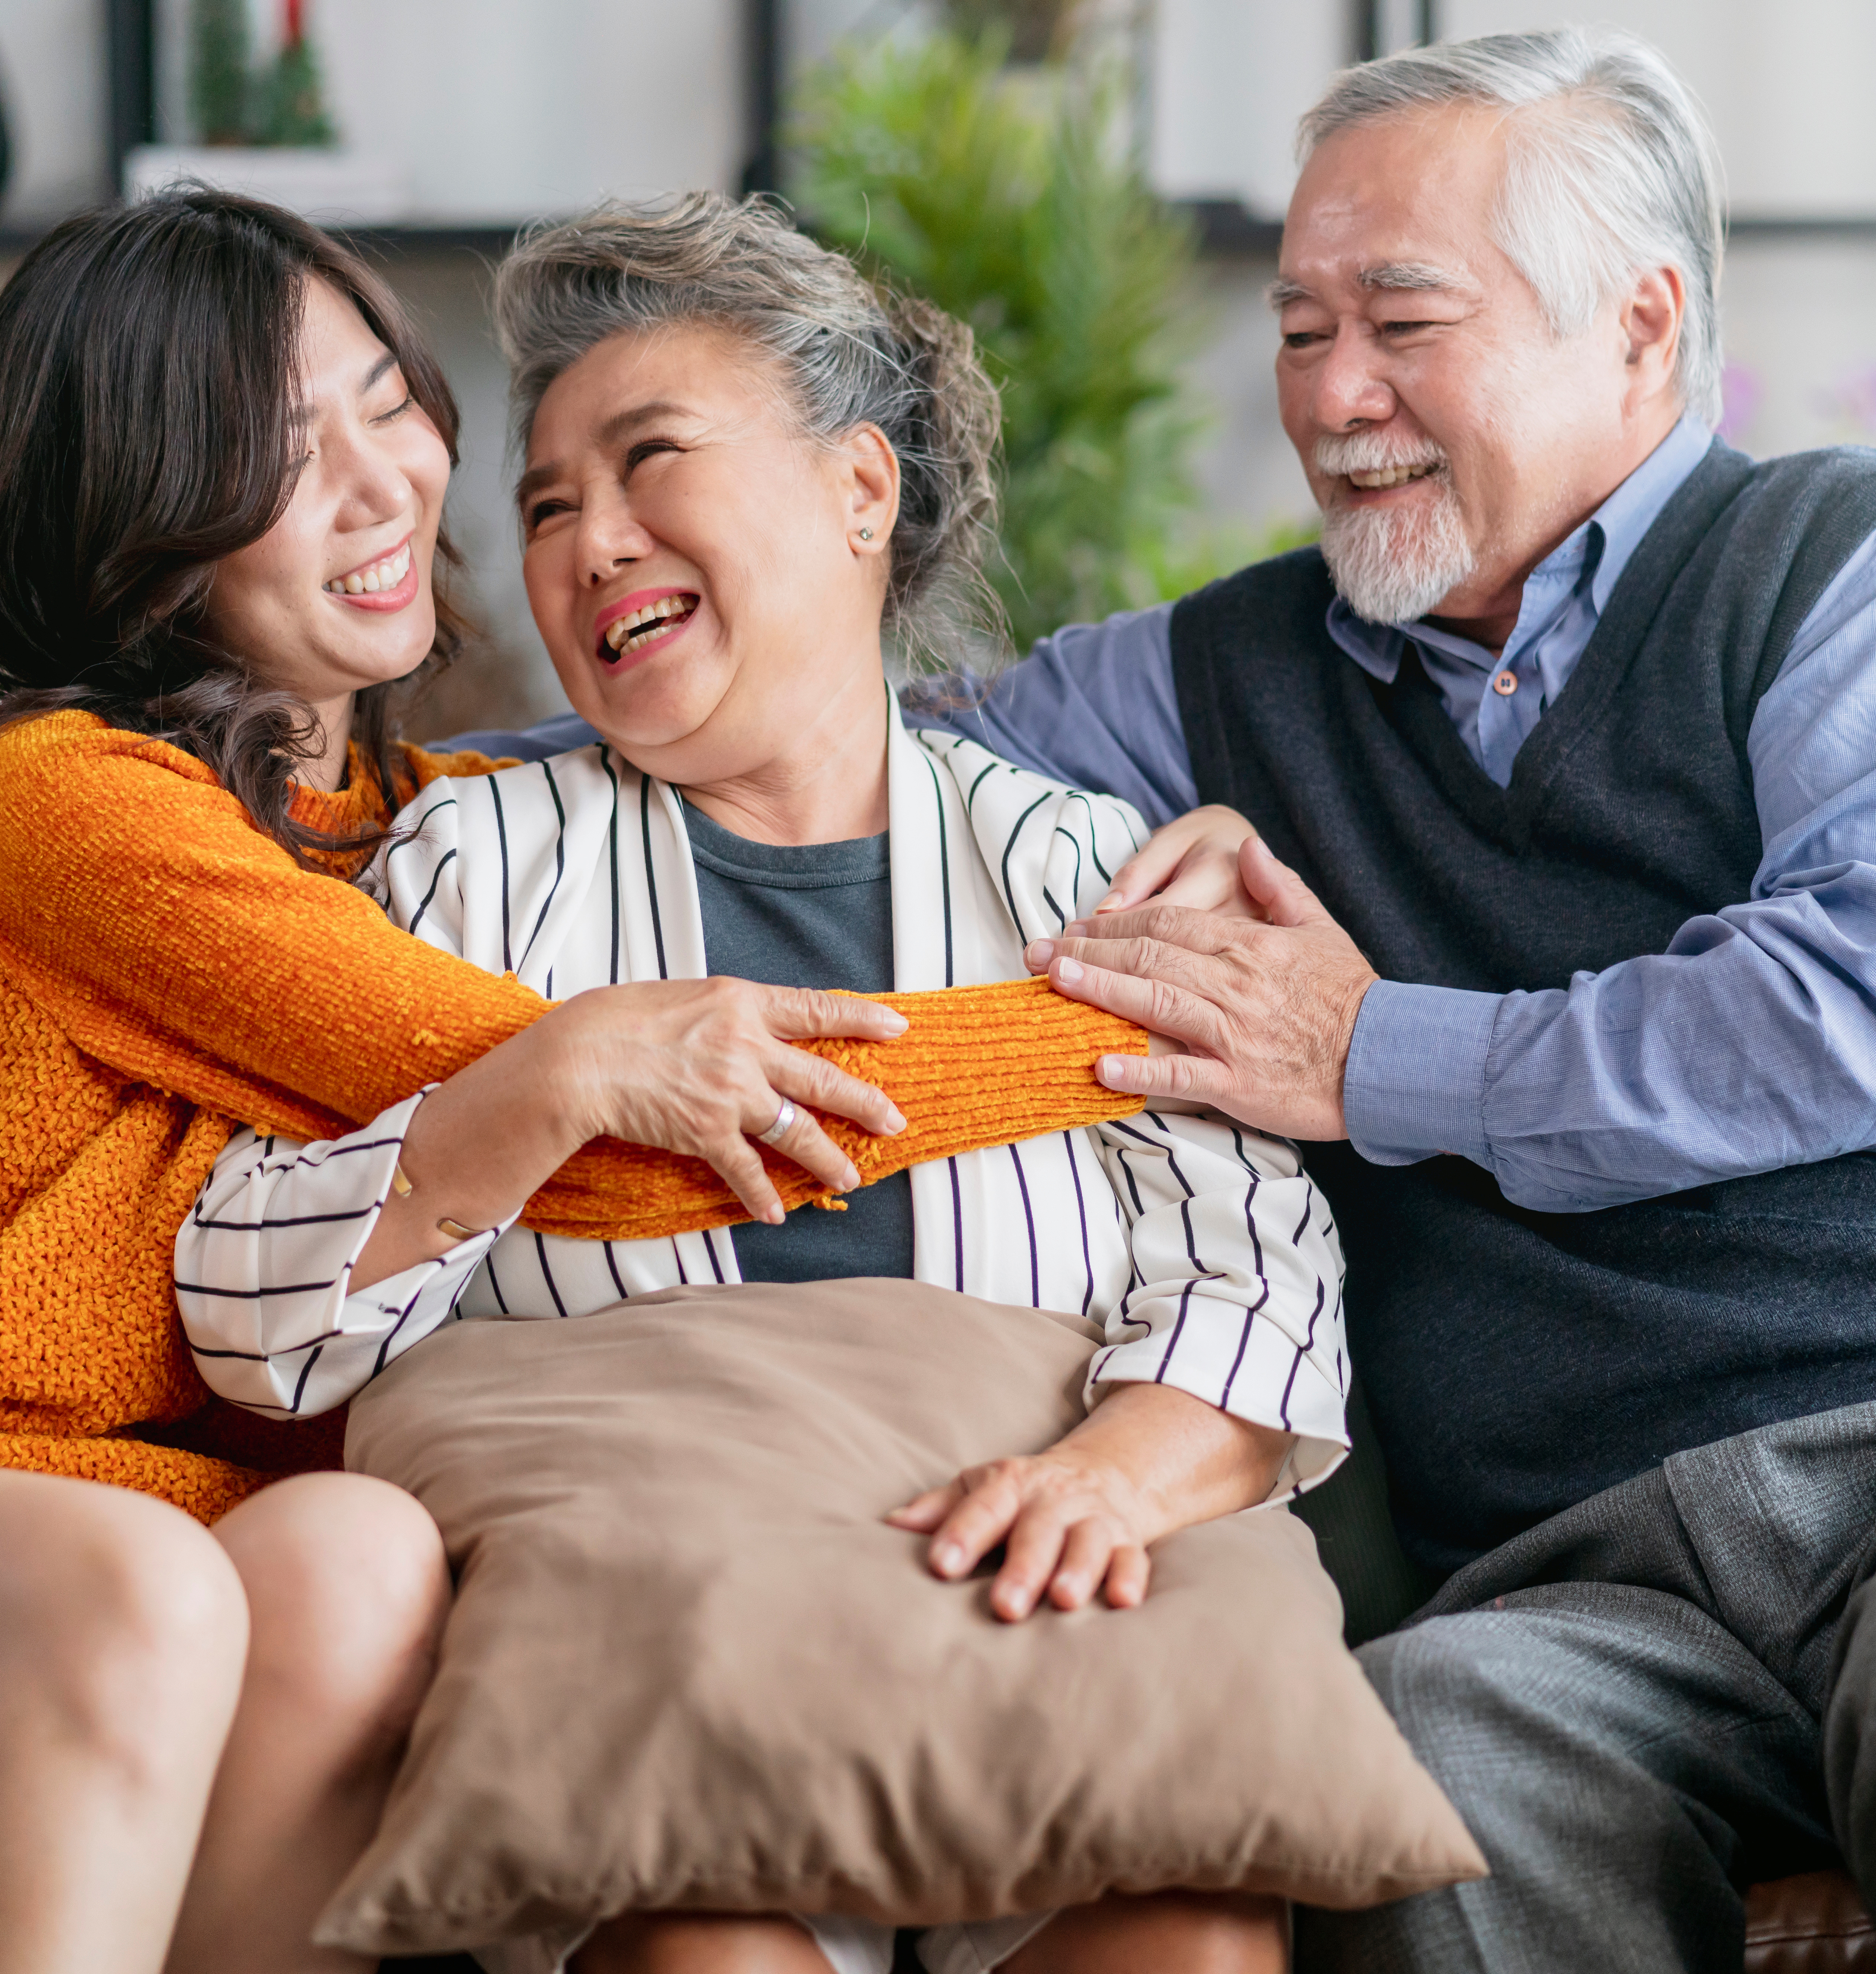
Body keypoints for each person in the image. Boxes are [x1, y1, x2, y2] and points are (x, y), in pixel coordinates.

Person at [0, 192, 1159, 1974]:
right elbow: (598, 1143)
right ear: (146, 521)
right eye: (279, 455)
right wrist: (1144, 1032)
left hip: (145, 1563)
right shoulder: (68, 802)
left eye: (388, 401)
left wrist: (1153, 875)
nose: (383, 487)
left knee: (362, 1547)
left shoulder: (431, 828)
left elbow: (824, 720)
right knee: (129, 1598)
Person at [912, 28, 1876, 1974]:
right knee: (1417, 1777)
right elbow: (837, 773)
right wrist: (394, 790)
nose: (1332, 397)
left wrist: (1373, 1052)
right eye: (1301, 327)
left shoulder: (1864, 568)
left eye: (1404, 322)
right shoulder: (1216, 680)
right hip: (1599, 1574)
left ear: (1642, 328)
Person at [175, 192, 1336, 1974]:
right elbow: (249, 1307)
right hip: (667, 1689)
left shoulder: (1081, 876)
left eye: (650, 462)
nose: (586, 543)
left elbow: (1258, 1271)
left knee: (1187, 1932)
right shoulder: (470, 872)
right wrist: (547, 1084)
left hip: (1041, 1634)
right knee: (698, 1948)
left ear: (858, 493)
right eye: (547, 507)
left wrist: (1111, 1479)